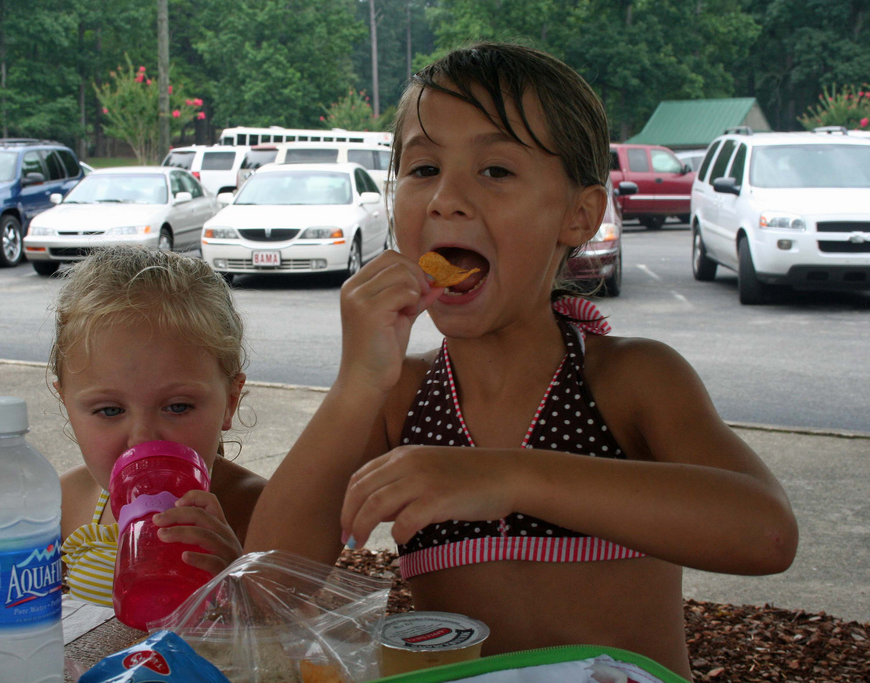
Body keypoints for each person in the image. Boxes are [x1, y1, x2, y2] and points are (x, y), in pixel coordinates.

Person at [246, 41, 798, 678]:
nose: (444, 200)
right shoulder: (401, 398)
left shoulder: (628, 380)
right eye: (422, 169)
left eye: (496, 171)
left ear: (579, 215)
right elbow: (265, 588)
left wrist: (506, 477)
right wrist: (357, 382)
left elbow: (766, 534)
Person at [0, 246, 265, 610]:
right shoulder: (69, 500)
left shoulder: (263, 510)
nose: (143, 438)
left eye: (178, 406)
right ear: (66, 403)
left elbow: (295, 641)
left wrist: (238, 579)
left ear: (229, 400)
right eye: (108, 410)